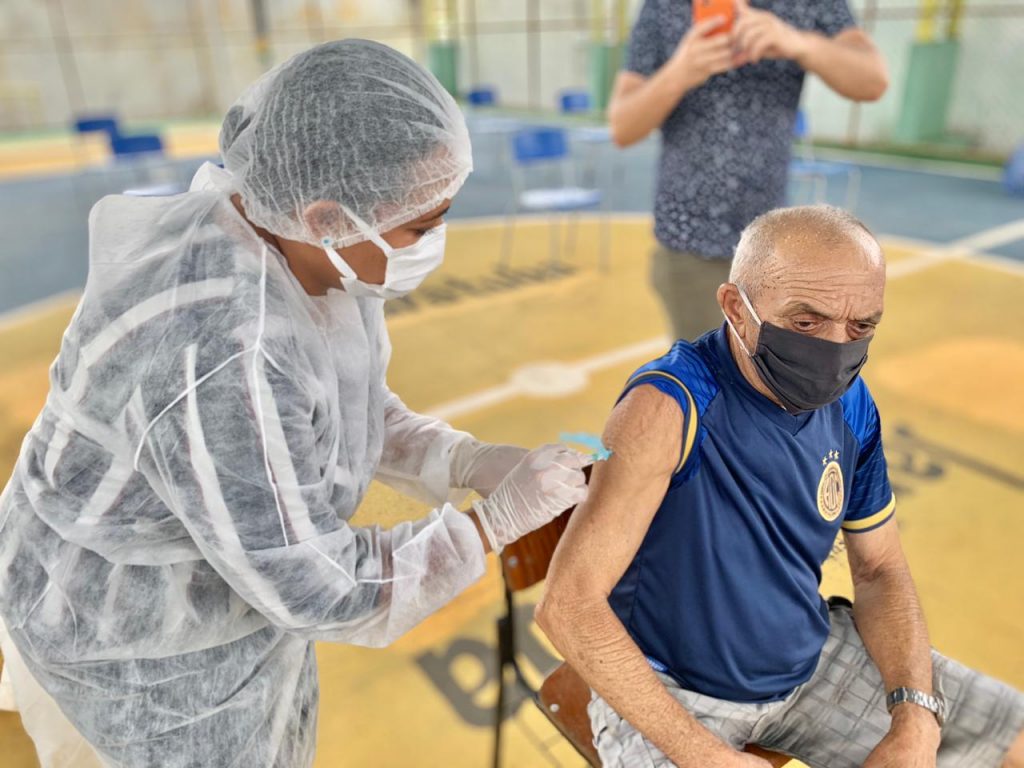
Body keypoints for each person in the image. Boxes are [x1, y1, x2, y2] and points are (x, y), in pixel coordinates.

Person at [0, 39, 589, 768]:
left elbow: (340, 406)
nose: (433, 241)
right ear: (326, 215)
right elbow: (318, 585)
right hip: (137, 651)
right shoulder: (223, 346)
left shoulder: (301, 251)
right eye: (422, 226)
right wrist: (490, 525)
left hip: (218, 597)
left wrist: (467, 461)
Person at [536, 206, 1024, 768]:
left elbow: (879, 567)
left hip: (809, 661)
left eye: (861, 327)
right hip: (670, 689)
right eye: (807, 323)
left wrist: (915, 712)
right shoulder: (669, 406)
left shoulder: (852, 405)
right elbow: (567, 605)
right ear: (735, 309)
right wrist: (708, 757)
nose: (836, 351)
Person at [609, 0, 888, 342]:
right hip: (690, 239)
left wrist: (799, 43)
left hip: (775, 247)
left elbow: (872, 80)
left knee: (781, 369)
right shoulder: (663, 6)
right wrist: (679, 72)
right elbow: (623, 126)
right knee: (714, 372)